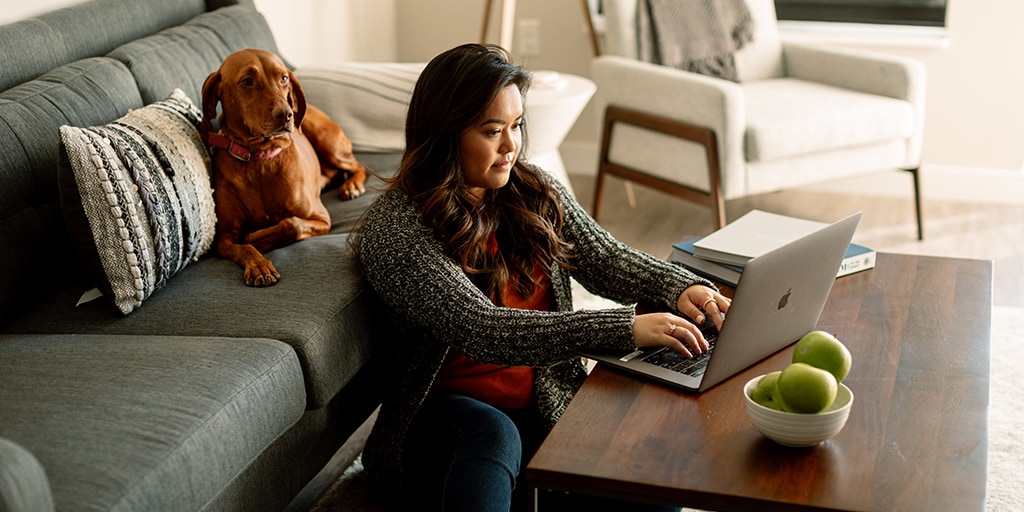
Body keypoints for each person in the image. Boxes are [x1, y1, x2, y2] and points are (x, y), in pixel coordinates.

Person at [354, 43, 731, 512]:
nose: (511, 145)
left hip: (544, 395)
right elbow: (483, 329)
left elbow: (604, 258)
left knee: (644, 476)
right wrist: (621, 327)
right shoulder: (396, 232)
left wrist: (680, 286)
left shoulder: (531, 189)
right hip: (444, 417)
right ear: (443, 134)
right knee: (496, 437)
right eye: (492, 131)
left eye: (515, 125)